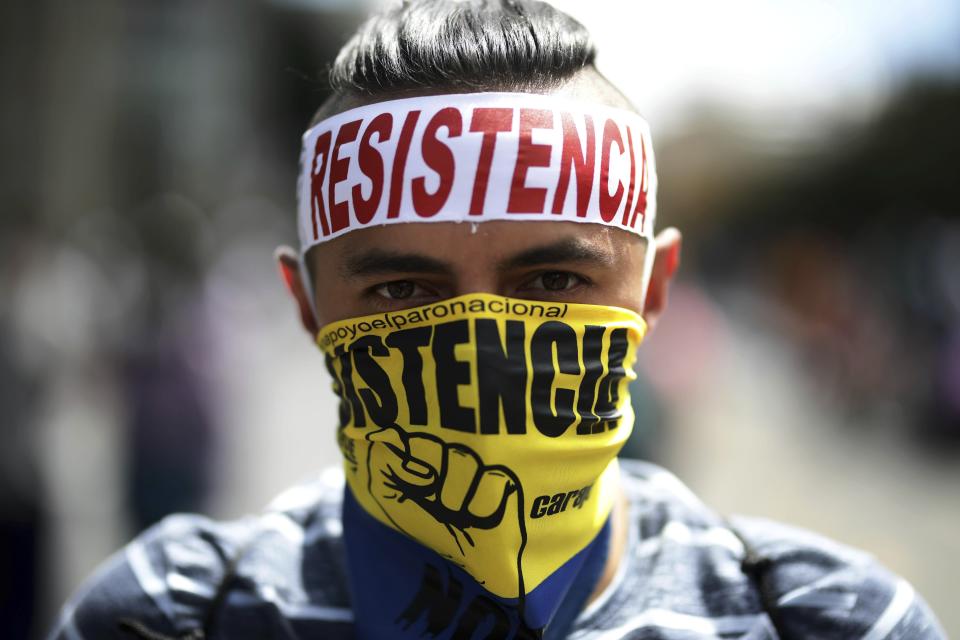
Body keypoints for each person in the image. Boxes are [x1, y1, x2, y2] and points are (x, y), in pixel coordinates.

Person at [48, 1, 946, 639]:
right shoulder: (164, 614)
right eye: (403, 291)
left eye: (553, 280)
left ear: (656, 290)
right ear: (307, 308)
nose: (483, 343)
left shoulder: (837, 621)